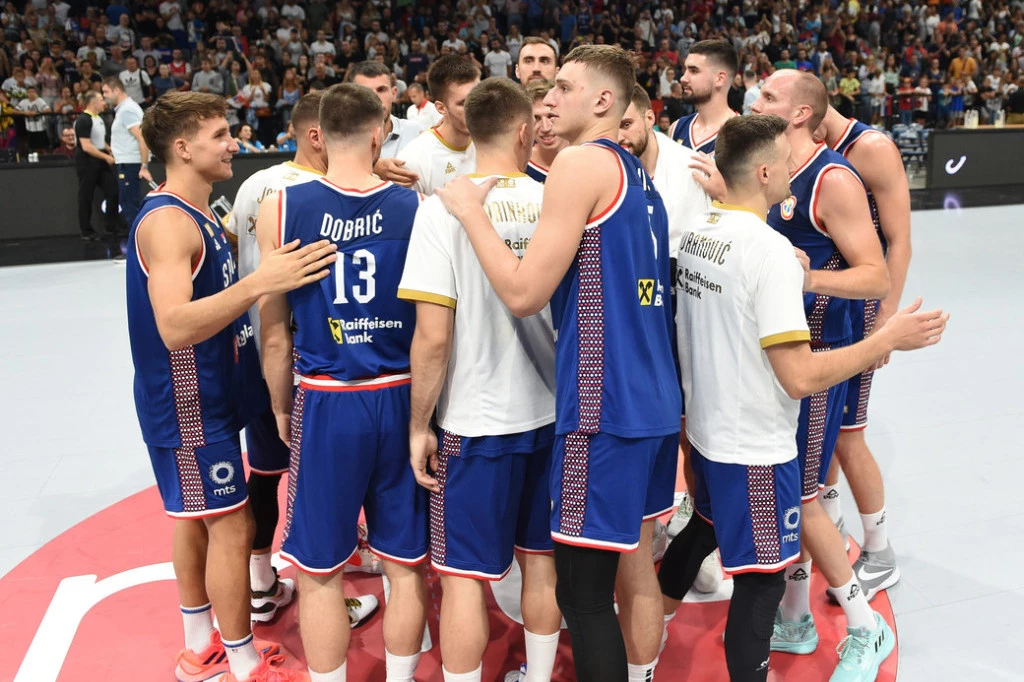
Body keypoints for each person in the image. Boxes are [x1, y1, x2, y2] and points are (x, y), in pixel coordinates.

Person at [659, 113, 947, 682]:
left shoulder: (696, 235)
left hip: (707, 435)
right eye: (785, 158)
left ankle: (645, 638)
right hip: (755, 447)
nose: (795, 163)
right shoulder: (769, 253)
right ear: (764, 172)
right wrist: (885, 339)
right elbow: (798, 377)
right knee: (763, 582)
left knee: (702, 531)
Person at [436, 44, 679, 682]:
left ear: (603, 101)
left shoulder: (579, 163)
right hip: (654, 403)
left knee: (584, 595)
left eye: (564, 87)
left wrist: (470, 213)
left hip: (603, 409)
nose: (549, 97)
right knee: (634, 569)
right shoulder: (640, 177)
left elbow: (522, 294)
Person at [128, 91, 335, 682]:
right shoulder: (169, 223)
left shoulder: (197, 211)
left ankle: (200, 645)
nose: (233, 143)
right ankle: (241, 659)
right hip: (188, 401)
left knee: (196, 518)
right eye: (219, 135)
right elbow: (173, 326)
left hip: (211, 392)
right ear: (182, 148)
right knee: (231, 524)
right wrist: (261, 282)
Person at [255, 83, 429, 682]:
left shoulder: (281, 207)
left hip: (327, 399)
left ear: (319, 135)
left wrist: (282, 407)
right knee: (405, 565)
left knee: (320, 572)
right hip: (401, 391)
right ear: (380, 133)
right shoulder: (415, 206)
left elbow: (273, 334)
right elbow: (436, 325)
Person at [399, 77, 561, 682]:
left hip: (475, 419)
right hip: (551, 415)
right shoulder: (556, 202)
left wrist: (420, 423)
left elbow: (432, 337)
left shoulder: (442, 208)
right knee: (541, 562)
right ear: (524, 131)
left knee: (463, 576)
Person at [750, 70, 895, 681]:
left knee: (803, 495)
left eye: (768, 97)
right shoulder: (765, 167)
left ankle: (866, 625)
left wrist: (804, 276)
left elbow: (875, 274)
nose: (755, 102)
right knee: (791, 491)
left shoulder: (832, 179)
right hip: (774, 354)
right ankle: (794, 613)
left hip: (819, 357)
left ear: (801, 113)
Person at [224, 92, 379, 630]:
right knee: (319, 480)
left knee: (266, 473)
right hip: (309, 360)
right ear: (318, 135)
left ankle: (261, 583)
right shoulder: (308, 199)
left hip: (260, 349)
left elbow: (236, 248)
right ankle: (329, 586)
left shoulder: (254, 186)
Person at [819, 104, 911, 601]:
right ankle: (832, 524)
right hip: (826, 311)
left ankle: (880, 552)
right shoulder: (809, 148)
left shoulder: (871, 148)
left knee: (848, 434)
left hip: (859, 314)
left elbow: (899, 240)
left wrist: (886, 321)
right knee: (825, 431)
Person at [397, 56, 479, 195]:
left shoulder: (495, 140)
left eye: (479, 98)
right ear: (441, 108)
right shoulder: (413, 159)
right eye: (463, 103)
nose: (476, 109)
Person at [349, 61, 424, 188]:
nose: (375, 98)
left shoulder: (416, 131)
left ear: (394, 93)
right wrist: (373, 166)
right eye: (365, 91)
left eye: (381, 90)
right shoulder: (339, 136)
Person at [668, 40, 739, 154]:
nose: (683, 78)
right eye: (685, 70)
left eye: (694, 71)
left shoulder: (744, 135)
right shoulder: (677, 127)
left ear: (720, 79)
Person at [102, 76, 152, 230]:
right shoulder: (125, 109)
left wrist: (144, 166)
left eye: (106, 92)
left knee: (130, 206)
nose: (104, 96)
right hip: (127, 162)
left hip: (130, 164)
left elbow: (142, 137)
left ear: (116, 90)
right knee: (129, 204)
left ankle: (137, 243)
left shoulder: (127, 110)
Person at [74, 91, 119, 241]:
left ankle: (111, 225)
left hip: (99, 158)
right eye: (101, 100)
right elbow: (86, 146)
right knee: (86, 195)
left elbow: (98, 139)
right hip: (87, 161)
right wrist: (106, 157)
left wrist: (108, 148)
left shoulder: (98, 118)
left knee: (113, 190)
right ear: (93, 102)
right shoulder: (83, 120)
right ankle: (86, 230)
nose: (104, 102)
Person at [524, 79, 567, 183]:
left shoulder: (589, 157)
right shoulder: (519, 165)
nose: (545, 128)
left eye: (551, 116)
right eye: (536, 118)